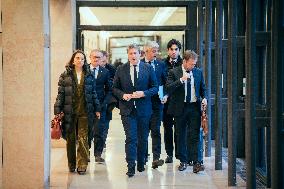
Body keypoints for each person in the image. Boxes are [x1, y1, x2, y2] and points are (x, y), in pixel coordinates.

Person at [113, 43, 158, 177]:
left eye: (135, 53)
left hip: (144, 110)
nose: (133, 56)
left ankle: (141, 163)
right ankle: (131, 166)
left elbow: (155, 87)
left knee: (143, 138)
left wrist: (143, 93)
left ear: (140, 54)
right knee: (131, 138)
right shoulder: (121, 69)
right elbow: (114, 88)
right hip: (127, 110)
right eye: (130, 53)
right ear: (128, 55)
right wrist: (122, 95)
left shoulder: (148, 68)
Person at [54, 50, 101, 175]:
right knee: (70, 139)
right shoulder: (65, 75)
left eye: (83, 59)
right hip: (70, 111)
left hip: (85, 111)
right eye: (78, 58)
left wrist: (97, 108)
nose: (80, 60)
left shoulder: (89, 75)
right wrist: (57, 110)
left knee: (83, 138)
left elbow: (94, 94)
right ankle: (71, 164)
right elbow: (60, 95)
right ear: (73, 60)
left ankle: (82, 164)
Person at [166, 50, 207, 173]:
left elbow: (203, 88)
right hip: (180, 108)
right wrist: (181, 80)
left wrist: (204, 98)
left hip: (194, 107)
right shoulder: (173, 72)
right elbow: (168, 87)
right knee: (181, 135)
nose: (193, 66)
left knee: (195, 135)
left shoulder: (198, 72)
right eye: (191, 64)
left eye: (195, 64)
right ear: (184, 61)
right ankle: (183, 161)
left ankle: (196, 162)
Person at [141, 41, 167, 169]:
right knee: (144, 131)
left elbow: (165, 82)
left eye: (157, 50)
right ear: (146, 51)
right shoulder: (139, 64)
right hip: (143, 104)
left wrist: (165, 95)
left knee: (156, 130)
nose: (156, 53)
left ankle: (156, 158)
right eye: (153, 50)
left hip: (157, 104)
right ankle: (144, 156)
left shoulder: (160, 65)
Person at [89, 49, 112, 163]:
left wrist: (104, 104)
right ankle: (85, 153)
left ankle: (98, 154)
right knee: (87, 131)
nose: (96, 59)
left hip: (100, 106)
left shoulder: (105, 72)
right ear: (90, 57)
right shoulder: (84, 70)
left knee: (99, 131)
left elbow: (109, 90)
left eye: (98, 57)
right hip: (86, 106)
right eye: (94, 57)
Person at [163, 39, 183, 163]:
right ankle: (169, 154)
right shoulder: (162, 64)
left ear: (179, 51)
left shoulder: (183, 63)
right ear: (168, 50)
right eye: (172, 49)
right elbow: (160, 82)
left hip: (180, 101)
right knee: (168, 128)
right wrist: (163, 95)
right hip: (167, 102)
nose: (174, 52)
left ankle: (180, 154)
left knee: (180, 129)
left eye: (176, 49)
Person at [100, 50, 117, 149]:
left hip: (108, 101)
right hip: (96, 99)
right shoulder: (90, 68)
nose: (103, 62)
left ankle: (103, 140)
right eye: (102, 60)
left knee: (105, 121)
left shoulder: (112, 69)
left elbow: (115, 83)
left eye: (105, 60)